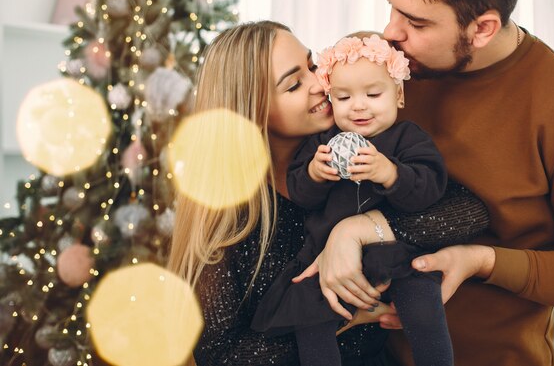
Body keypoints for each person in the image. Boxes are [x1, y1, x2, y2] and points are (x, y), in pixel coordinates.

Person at [304, 0, 554, 365]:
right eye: (391, 6)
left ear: (482, 29)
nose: (389, 31)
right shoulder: (380, 70)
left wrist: (481, 261)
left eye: (416, 22)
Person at [167, 20, 490, 366]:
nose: (319, 85)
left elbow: (467, 211)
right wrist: (343, 315)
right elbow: (222, 357)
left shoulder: (361, 133)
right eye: (293, 84)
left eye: (312, 65)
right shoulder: (231, 218)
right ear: (254, 112)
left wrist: (352, 232)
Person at [252, 32, 466, 366]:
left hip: (395, 254)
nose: (359, 105)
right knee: (312, 321)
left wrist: (390, 174)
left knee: (424, 307)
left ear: (398, 95)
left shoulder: (408, 139)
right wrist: (314, 174)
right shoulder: (321, 144)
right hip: (327, 259)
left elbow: (430, 190)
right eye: (343, 97)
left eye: (373, 94)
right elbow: (301, 197)